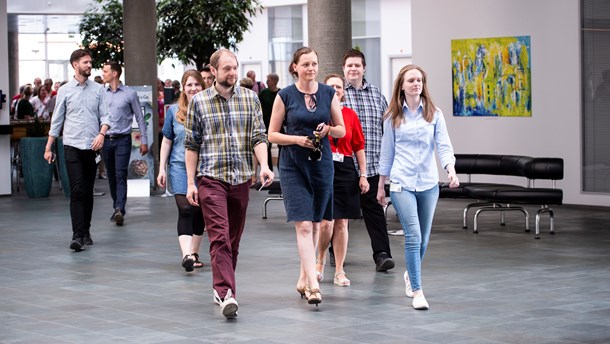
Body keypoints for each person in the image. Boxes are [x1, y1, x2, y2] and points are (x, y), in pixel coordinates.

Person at [184, 49, 274, 319]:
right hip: (211, 179)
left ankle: (220, 285)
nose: (232, 73)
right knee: (220, 236)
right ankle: (226, 293)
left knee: (233, 241)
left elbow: (258, 137)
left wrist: (265, 166)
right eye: (226, 69)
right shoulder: (199, 102)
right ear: (213, 71)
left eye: (235, 68)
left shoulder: (251, 99)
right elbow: (192, 145)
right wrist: (191, 182)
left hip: (241, 179)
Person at [376, 64, 459, 310]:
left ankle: (410, 274)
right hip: (401, 183)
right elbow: (386, 153)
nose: (416, 84)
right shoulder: (392, 117)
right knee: (413, 236)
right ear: (402, 85)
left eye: (420, 80)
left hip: (428, 184)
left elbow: (444, 146)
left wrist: (451, 170)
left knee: (423, 239)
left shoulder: (434, 113)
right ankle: (418, 290)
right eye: (411, 80)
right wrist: (381, 185)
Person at [268, 47, 345, 306]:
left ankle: (303, 278)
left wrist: (328, 130)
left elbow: (342, 131)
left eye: (314, 64)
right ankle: (313, 285)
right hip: (293, 166)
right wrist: (298, 140)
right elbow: (272, 135)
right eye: (305, 64)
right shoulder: (285, 95)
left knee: (315, 224)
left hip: (321, 165)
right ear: (295, 67)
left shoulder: (328, 93)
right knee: (303, 225)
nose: (311, 69)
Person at [43, 49, 111, 252]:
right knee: (77, 190)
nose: (90, 65)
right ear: (75, 64)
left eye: (90, 62)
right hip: (71, 146)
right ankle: (77, 235)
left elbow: (106, 116)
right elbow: (57, 121)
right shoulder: (64, 90)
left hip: (92, 147)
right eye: (86, 62)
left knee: (87, 190)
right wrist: (48, 147)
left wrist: (101, 134)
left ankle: (86, 230)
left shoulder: (98, 89)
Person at [342, 48, 395, 272]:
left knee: (374, 212)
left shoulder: (377, 94)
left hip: (371, 165)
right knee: (339, 216)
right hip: (343, 167)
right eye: (349, 66)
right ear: (343, 70)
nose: (353, 69)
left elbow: (387, 129)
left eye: (357, 65)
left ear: (364, 68)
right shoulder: (336, 94)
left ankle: (382, 255)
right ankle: (336, 255)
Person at [316, 74, 368, 287]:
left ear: (343, 91)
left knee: (342, 222)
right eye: (331, 86)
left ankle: (339, 270)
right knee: (326, 223)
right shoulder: (317, 113)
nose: (335, 89)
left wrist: (363, 174)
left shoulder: (350, 115)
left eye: (339, 86)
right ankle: (319, 262)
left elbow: (358, 146)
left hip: (346, 168)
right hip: (323, 166)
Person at [158, 70, 206, 272]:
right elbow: (167, 140)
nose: (193, 88)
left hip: (204, 167)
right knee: (185, 208)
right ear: (183, 88)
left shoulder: (209, 108)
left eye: (197, 85)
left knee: (199, 210)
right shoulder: (174, 111)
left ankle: (194, 252)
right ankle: (186, 254)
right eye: (189, 85)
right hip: (178, 166)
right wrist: (161, 168)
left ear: (203, 87)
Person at [101, 60, 149, 226]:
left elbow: (140, 118)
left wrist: (144, 140)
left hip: (122, 140)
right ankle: (116, 206)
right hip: (106, 140)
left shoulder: (130, 94)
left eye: (105, 71)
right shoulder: (101, 93)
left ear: (114, 73)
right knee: (112, 176)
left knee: (120, 173)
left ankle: (120, 209)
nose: (103, 74)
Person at [258, 73, 281, 171]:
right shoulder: (263, 93)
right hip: (266, 123)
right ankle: (268, 169)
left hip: (279, 124)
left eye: (269, 80)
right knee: (266, 146)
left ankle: (281, 167)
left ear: (275, 81)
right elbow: (258, 107)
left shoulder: (281, 93)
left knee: (282, 147)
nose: (267, 82)